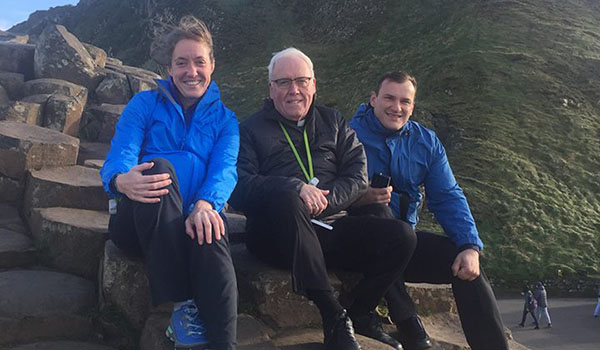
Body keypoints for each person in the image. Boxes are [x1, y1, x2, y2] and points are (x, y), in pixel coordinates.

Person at [229, 48, 416, 350]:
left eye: (301, 81)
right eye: (284, 82)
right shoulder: (249, 130)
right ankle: (333, 315)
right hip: (277, 235)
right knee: (288, 196)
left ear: (314, 84)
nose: (294, 90)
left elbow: (358, 174)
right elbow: (240, 186)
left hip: (329, 227)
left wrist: (326, 202)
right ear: (271, 89)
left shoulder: (334, 122)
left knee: (402, 237)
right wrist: (295, 188)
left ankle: (360, 310)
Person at [100, 16, 239, 350]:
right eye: (182, 63)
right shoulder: (144, 104)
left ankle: (225, 344)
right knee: (157, 167)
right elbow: (122, 151)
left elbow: (225, 169)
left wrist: (206, 205)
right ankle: (181, 305)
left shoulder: (226, 121)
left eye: (199, 62)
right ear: (169, 68)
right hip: (138, 221)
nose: (191, 71)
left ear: (212, 65)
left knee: (211, 228)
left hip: (189, 218)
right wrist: (121, 180)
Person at [349, 71, 509, 350]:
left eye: (404, 101)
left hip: (404, 243)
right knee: (377, 211)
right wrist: (358, 197)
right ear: (373, 99)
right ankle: (407, 319)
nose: (396, 107)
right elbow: (329, 187)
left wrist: (470, 245)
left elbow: (447, 195)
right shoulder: (347, 134)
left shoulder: (426, 142)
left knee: (463, 263)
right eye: (388, 98)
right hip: (355, 246)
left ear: (413, 106)